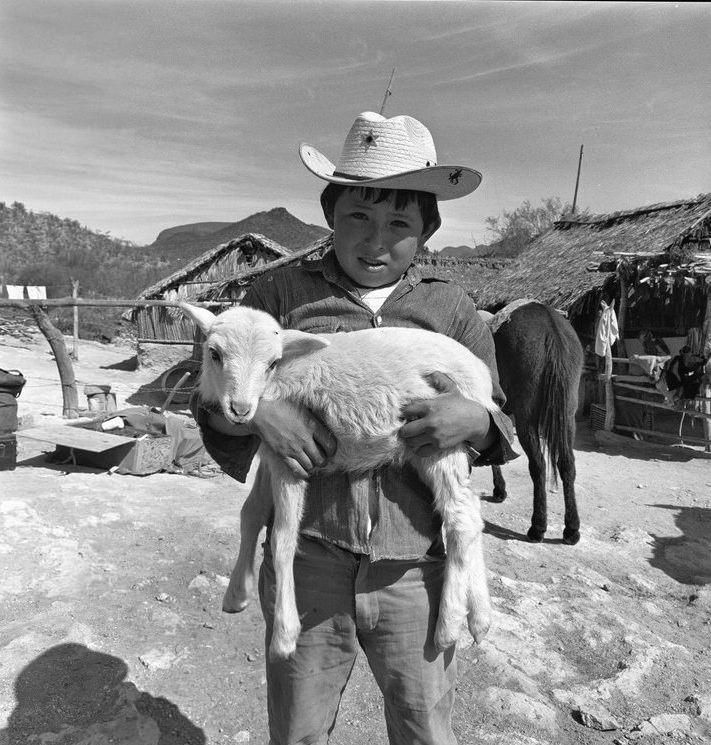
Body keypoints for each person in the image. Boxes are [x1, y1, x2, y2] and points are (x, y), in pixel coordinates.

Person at [191, 110, 517, 745]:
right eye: (358, 218)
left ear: (428, 228)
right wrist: (263, 415)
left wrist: (474, 420)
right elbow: (213, 399)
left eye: (399, 223)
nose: (376, 241)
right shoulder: (278, 295)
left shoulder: (450, 309)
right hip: (310, 558)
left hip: (415, 566)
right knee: (299, 729)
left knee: (423, 728)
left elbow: (502, 422)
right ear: (330, 215)